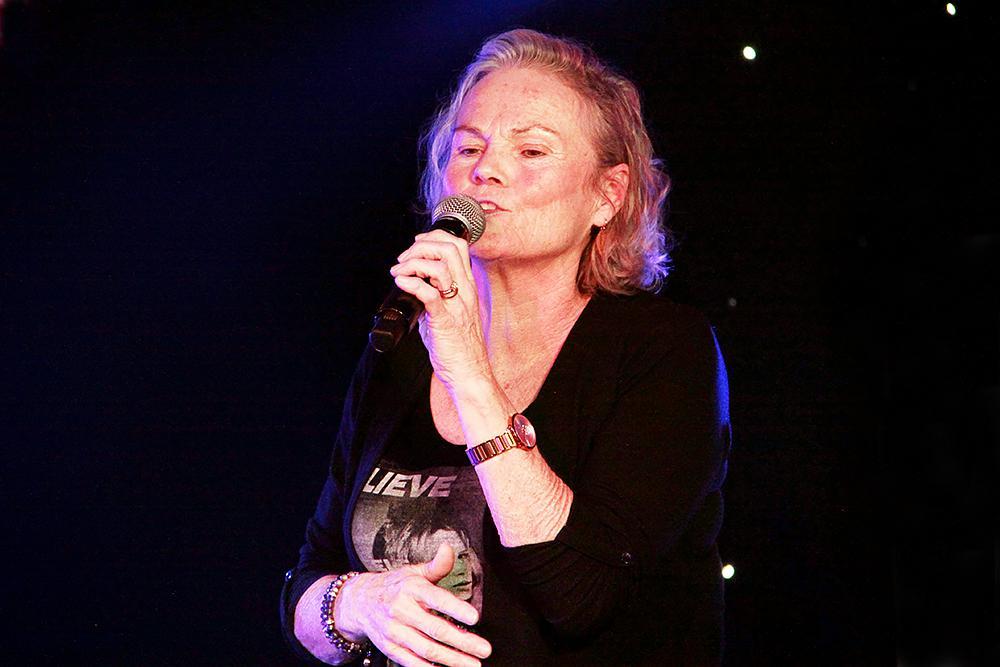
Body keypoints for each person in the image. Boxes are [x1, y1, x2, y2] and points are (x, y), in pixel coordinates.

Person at [281, 28, 731, 666]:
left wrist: (468, 369)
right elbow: (307, 581)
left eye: (531, 150)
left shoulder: (663, 351)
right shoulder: (404, 348)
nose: (484, 170)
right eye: (469, 147)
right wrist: (357, 603)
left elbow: (579, 594)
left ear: (608, 195)